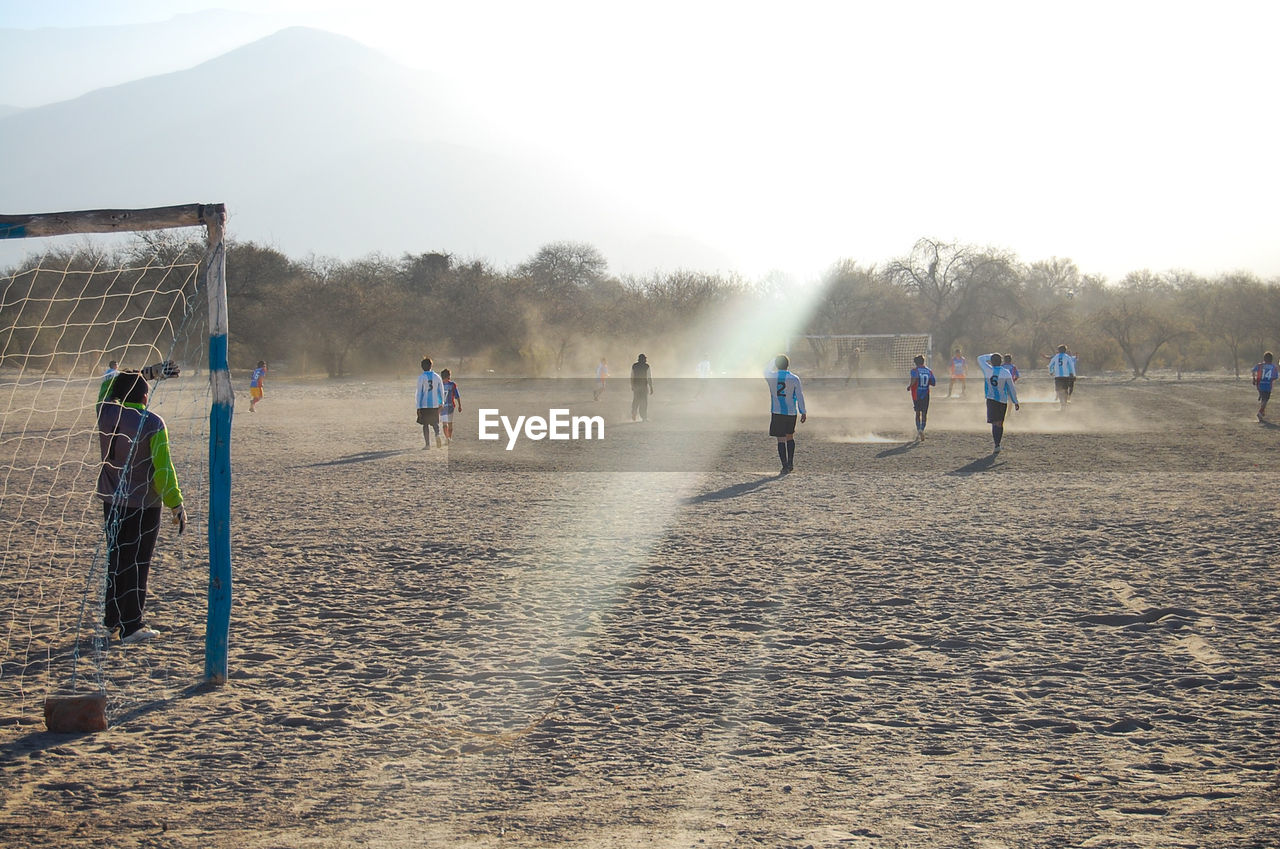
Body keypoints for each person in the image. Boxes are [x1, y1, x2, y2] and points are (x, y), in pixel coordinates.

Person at [97, 372, 186, 643]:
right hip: (142, 505)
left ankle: (112, 620)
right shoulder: (152, 422)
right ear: (145, 397)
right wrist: (176, 503)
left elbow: (106, 384)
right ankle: (132, 625)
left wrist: (144, 372)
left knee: (117, 557)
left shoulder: (105, 411)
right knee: (137, 561)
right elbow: (163, 469)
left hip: (111, 501)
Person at [765, 354, 806, 473]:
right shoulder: (794, 378)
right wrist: (803, 411)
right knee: (790, 436)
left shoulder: (771, 376)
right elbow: (800, 396)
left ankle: (784, 465)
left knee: (781, 439)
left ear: (776, 365)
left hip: (777, 412)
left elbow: (765, 370)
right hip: (791, 412)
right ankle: (791, 463)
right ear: (788, 365)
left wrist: (772, 360)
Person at [978, 352, 1020, 454]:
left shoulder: (987, 370)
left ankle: (996, 444)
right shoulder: (1006, 372)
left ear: (991, 362)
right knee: (1000, 423)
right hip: (1002, 400)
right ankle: (998, 444)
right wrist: (1015, 401)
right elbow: (1011, 388)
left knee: (994, 423)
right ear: (1001, 362)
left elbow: (980, 358)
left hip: (991, 400)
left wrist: (991, 355)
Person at [416, 356, 445, 448]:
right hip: (435, 404)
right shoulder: (437, 377)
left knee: (425, 424)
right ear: (431, 366)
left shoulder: (421, 377)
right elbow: (441, 391)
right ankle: (437, 435)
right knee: (435, 422)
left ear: (422, 367)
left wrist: (418, 406)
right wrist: (442, 403)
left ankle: (427, 444)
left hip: (424, 404)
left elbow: (419, 393)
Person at [908, 354, 936, 441]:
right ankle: (922, 429)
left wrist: (909, 386)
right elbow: (933, 383)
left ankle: (918, 430)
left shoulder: (914, 370)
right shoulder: (929, 371)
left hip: (917, 394)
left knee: (917, 413)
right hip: (926, 394)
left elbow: (914, 379)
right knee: (924, 413)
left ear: (915, 363)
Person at [1253, 351, 1277, 421]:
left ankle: (1262, 411)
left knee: (1264, 399)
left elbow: (1253, 371)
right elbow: (1275, 377)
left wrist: (1254, 379)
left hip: (1260, 385)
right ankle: (1260, 412)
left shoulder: (1260, 365)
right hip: (1268, 386)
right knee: (1265, 400)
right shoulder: (1273, 367)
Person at [439, 368, 462, 442]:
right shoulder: (452, 385)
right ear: (449, 376)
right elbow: (457, 396)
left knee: (444, 424)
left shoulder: (440, 385)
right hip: (450, 406)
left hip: (442, 407)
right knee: (450, 423)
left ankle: (447, 438)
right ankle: (449, 437)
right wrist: (459, 405)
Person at [630, 353, 653, 421]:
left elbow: (632, 376)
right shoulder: (647, 366)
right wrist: (651, 387)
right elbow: (649, 377)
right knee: (644, 402)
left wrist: (632, 385)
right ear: (643, 359)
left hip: (636, 386)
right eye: (645, 358)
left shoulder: (634, 366)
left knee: (636, 400)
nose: (646, 359)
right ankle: (644, 417)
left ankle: (634, 413)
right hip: (643, 386)